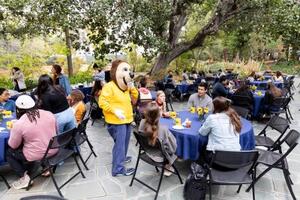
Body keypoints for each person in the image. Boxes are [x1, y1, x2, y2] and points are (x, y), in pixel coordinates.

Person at [7, 95, 57, 189]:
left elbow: (13, 145)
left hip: (38, 154)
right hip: (54, 148)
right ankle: (46, 167)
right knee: (40, 141)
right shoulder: (49, 113)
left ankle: (24, 177)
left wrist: (14, 131)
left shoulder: (19, 124)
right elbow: (56, 131)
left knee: (9, 152)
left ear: (18, 109)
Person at [99, 60, 139, 176]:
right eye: (125, 70)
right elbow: (102, 102)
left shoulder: (125, 87)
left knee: (124, 143)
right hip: (116, 122)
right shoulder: (109, 86)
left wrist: (132, 88)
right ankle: (118, 168)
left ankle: (121, 158)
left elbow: (135, 97)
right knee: (120, 144)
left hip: (126, 119)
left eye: (129, 70)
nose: (129, 73)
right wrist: (114, 110)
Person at [138, 103, 177, 176]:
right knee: (174, 148)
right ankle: (168, 166)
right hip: (159, 157)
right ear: (158, 115)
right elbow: (172, 148)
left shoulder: (142, 122)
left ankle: (167, 166)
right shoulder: (163, 129)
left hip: (147, 151)